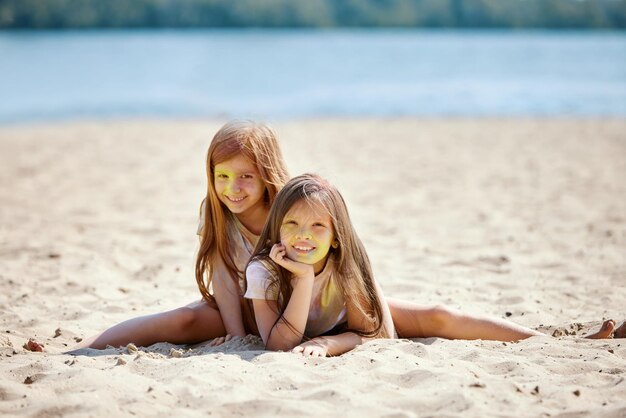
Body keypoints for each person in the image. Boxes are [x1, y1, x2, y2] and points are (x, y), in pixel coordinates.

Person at [244, 174, 624, 357]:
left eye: (317, 226)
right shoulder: (263, 271)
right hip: (306, 323)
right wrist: (304, 279)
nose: (302, 236)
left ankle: (561, 346)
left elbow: (377, 336)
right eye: (291, 224)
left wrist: (330, 343)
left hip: (347, 320)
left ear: (337, 234)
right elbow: (279, 344)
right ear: (277, 226)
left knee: (440, 316)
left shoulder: (346, 265)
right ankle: (570, 344)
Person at [78, 120, 289, 349]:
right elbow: (222, 276)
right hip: (239, 310)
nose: (233, 188)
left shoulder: (289, 212)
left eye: (245, 176)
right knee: (183, 319)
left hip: (285, 312)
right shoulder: (214, 210)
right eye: (223, 176)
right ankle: (76, 348)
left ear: (266, 173)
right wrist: (236, 336)